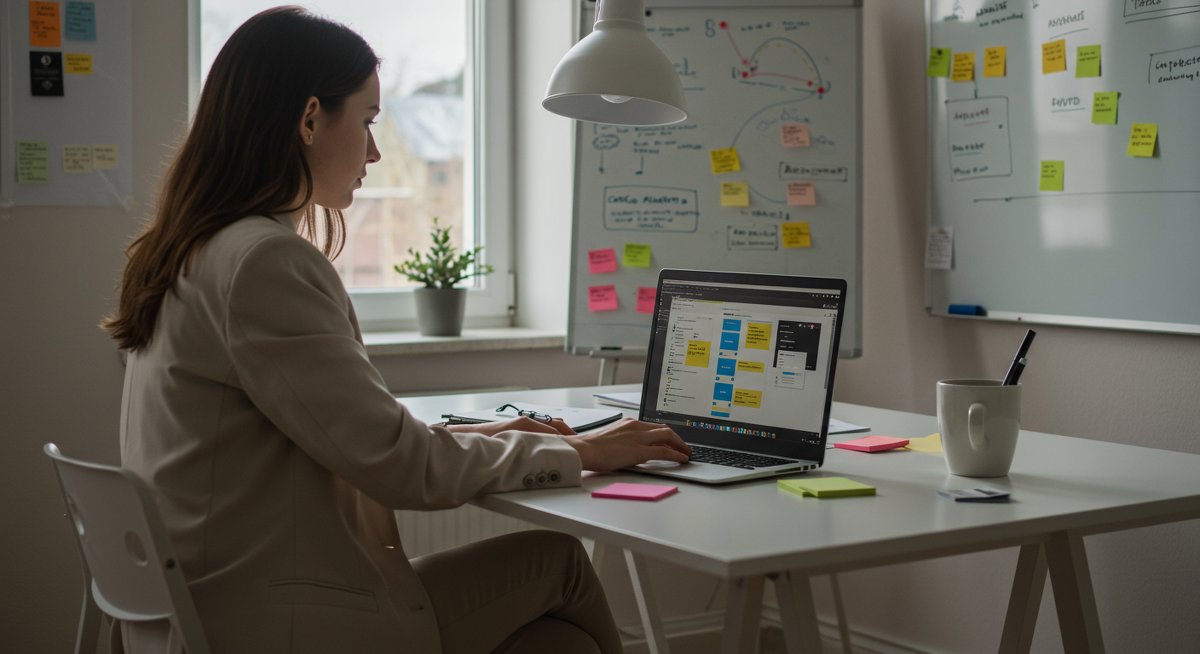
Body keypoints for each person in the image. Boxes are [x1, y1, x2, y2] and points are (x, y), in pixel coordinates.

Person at [101, 7, 690, 653]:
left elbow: (358, 440)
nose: (376, 151)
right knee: (560, 563)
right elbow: (402, 469)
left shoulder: (191, 251)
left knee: (558, 644)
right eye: (368, 120)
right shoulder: (263, 262)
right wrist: (584, 453)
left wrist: (501, 433)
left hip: (204, 610)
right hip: (275, 622)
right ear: (308, 119)